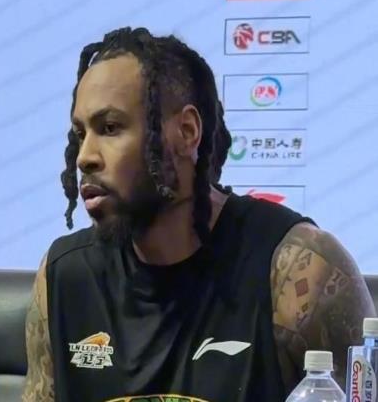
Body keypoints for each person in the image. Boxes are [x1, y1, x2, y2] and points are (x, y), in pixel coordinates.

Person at [22, 27, 376, 402]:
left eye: (110, 128)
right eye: (80, 134)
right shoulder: (64, 277)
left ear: (186, 132)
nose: (84, 157)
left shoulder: (296, 270)